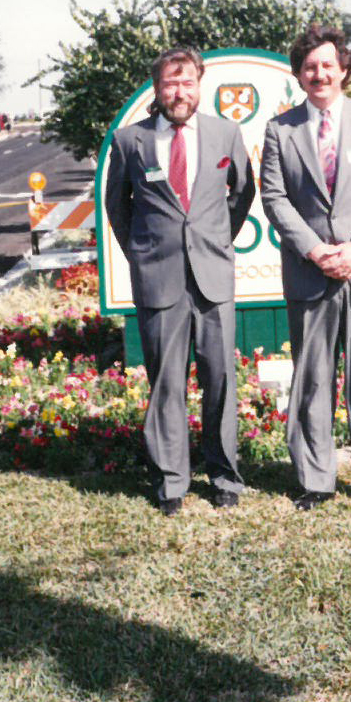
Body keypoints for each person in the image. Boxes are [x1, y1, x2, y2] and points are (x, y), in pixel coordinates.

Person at [105, 46, 255, 516]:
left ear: (199, 85)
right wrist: (143, 255)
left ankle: (225, 475)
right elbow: (117, 207)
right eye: (170, 83)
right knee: (166, 383)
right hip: (160, 280)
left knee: (221, 379)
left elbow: (243, 193)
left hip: (212, 278)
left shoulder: (225, 134)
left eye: (187, 82)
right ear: (157, 88)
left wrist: (216, 241)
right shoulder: (130, 141)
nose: (178, 92)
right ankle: (172, 481)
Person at [261, 24, 351, 514]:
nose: (319, 73)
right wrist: (315, 250)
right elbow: (274, 197)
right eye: (309, 67)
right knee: (314, 378)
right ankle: (316, 480)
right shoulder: (281, 130)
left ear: (343, 69)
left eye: (327, 65)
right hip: (311, 272)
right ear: (299, 75)